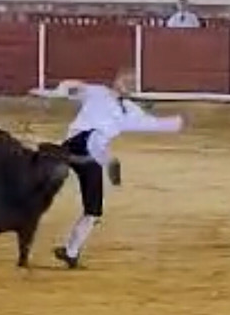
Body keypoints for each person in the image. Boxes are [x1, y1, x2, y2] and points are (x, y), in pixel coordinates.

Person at [29, 69, 184, 268]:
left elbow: (153, 124)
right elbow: (71, 87)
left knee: (94, 210)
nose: (128, 84)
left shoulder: (130, 110)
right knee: (88, 143)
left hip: (91, 156)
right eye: (126, 80)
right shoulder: (97, 92)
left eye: (133, 82)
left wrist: (180, 122)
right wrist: (51, 93)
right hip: (75, 144)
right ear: (116, 80)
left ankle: (70, 252)